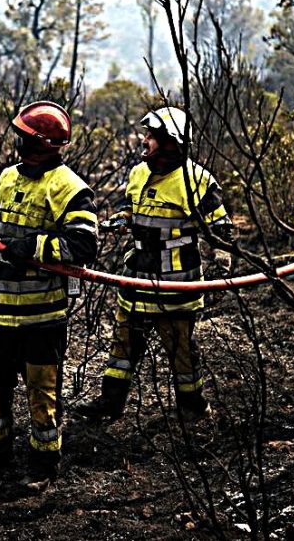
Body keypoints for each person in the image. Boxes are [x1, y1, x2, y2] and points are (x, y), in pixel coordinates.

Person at [0, 101, 99, 492]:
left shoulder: (70, 188)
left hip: (41, 316)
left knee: (42, 391)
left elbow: (84, 245)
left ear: (38, 141)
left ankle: (43, 465)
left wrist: (32, 246)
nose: (16, 138)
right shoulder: (8, 177)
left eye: (22, 133)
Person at [75, 106, 232, 423]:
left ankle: (193, 407)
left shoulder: (197, 181)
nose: (144, 140)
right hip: (135, 280)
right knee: (122, 348)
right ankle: (110, 403)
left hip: (175, 288)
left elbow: (222, 230)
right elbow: (129, 209)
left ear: (172, 141)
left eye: (151, 136)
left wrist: (220, 273)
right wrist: (119, 221)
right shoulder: (138, 174)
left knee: (182, 354)